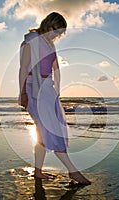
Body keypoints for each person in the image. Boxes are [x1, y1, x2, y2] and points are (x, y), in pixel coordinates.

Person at [18, 12, 91, 185]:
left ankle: (38, 172)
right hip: (33, 89)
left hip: (47, 90)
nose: (57, 36)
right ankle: (73, 171)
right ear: (50, 24)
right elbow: (23, 69)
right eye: (56, 31)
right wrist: (22, 93)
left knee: (42, 132)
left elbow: (55, 68)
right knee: (50, 131)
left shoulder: (50, 44)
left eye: (60, 33)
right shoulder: (31, 41)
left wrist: (56, 91)